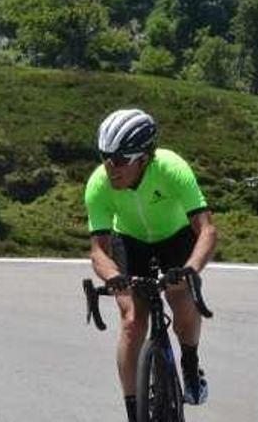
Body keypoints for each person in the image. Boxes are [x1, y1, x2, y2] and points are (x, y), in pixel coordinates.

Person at [84, 109, 217, 422]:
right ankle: (134, 410)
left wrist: (191, 270)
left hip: (175, 236)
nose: (109, 167)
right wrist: (114, 276)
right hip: (129, 241)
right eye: (105, 157)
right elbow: (98, 252)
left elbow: (207, 231)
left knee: (180, 294)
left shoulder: (171, 168)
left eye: (118, 160)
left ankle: (188, 360)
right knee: (132, 319)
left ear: (143, 158)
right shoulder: (98, 184)